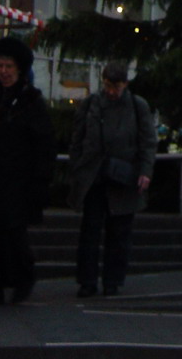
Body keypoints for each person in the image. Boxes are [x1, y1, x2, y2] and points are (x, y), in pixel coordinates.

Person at [0, 35, 55, 305]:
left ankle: (22, 278)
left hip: (18, 179)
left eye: (9, 67)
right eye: (0, 66)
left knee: (13, 233)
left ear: (19, 69)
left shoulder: (31, 101)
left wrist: (40, 179)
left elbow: (43, 143)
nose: (3, 72)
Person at [68, 61, 157, 298]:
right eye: (108, 85)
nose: (110, 91)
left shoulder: (137, 106)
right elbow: (77, 138)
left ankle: (112, 281)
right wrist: (78, 165)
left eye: (115, 86)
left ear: (125, 84)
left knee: (119, 233)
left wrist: (145, 171)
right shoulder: (92, 104)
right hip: (94, 174)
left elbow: (148, 141)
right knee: (90, 231)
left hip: (123, 175)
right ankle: (87, 281)